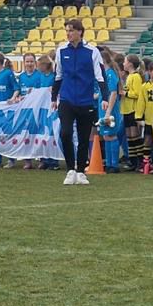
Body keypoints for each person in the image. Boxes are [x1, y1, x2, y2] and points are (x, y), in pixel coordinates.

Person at [51, 18, 109, 185]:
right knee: (65, 133)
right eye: (67, 31)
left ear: (80, 32)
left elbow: (100, 76)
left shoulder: (92, 51)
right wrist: (54, 98)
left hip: (85, 101)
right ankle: (70, 169)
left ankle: (81, 171)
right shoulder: (61, 50)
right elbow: (58, 76)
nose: (68, 34)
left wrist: (104, 97)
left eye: (71, 30)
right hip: (67, 99)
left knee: (84, 138)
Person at [120, 53, 145, 171]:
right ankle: (133, 161)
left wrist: (125, 93)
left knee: (135, 136)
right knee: (129, 136)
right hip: (126, 109)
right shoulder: (129, 76)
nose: (123, 64)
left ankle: (140, 161)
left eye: (125, 61)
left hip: (133, 109)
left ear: (130, 63)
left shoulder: (135, 77)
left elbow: (137, 94)